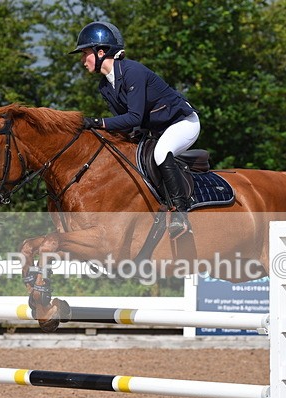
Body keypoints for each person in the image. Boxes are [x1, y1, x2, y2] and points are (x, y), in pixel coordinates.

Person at [69, 21, 201, 239]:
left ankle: (181, 214)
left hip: (183, 123)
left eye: (85, 54)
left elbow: (134, 117)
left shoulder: (133, 72)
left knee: (161, 153)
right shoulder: (104, 86)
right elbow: (126, 126)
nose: (83, 61)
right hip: (156, 131)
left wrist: (97, 122)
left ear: (101, 52)